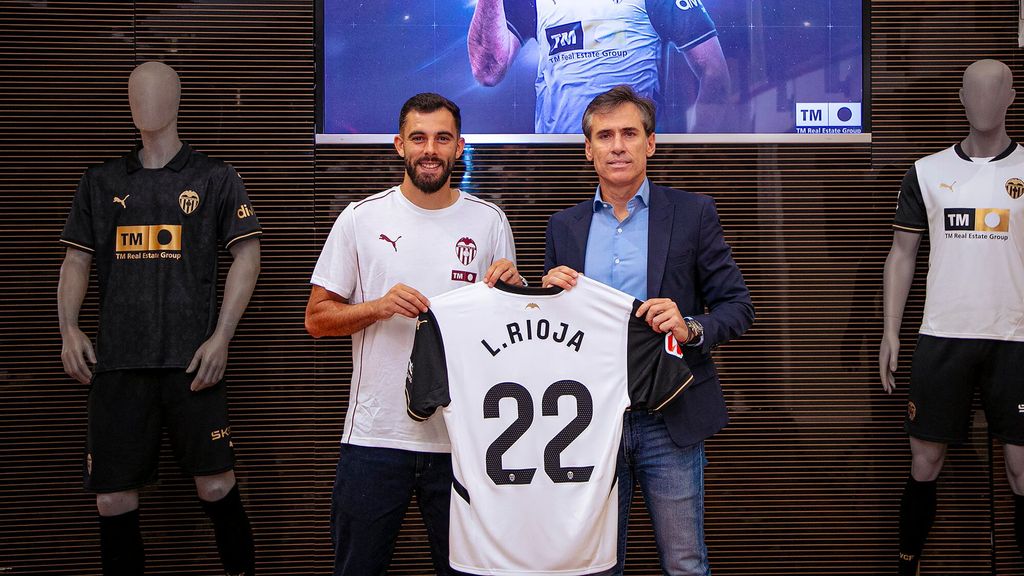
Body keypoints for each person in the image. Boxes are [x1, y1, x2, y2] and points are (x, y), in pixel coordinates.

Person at [304, 92, 523, 576]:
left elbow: (511, 335)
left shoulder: (489, 221)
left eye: (442, 138)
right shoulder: (361, 218)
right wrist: (378, 307)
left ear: (459, 147)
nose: (430, 150)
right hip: (374, 439)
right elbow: (316, 318)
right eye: (419, 138)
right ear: (399, 145)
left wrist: (516, 290)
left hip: (464, 442)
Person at [58, 61, 260, 576]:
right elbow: (76, 260)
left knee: (216, 485)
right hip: (118, 363)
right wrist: (68, 329)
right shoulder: (100, 181)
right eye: (136, 95)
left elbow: (248, 254)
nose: (145, 104)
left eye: (157, 93)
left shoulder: (214, 177)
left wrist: (222, 337)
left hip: (192, 363)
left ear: (177, 101)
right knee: (112, 499)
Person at [543, 85, 753, 575]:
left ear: (650, 143)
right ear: (588, 149)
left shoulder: (692, 213)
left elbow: (738, 307)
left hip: (670, 415)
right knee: (594, 566)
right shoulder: (564, 226)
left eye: (629, 134)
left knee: (685, 563)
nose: (617, 146)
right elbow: (551, 333)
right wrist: (547, 297)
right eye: (605, 136)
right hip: (586, 420)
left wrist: (690, 325)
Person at [880, 59, 1024, 576]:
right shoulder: (927, 172)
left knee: (1022, 470)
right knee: (925, 462)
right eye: (974, 91)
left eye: (995, 90)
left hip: (1015, 338)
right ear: (961, 98)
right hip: (943, 335)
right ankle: (908, 564)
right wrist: (890, 331)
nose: (984, 101)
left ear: (1011, 97)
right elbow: (902, 254)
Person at [468, 0, 730, 134]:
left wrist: (692, 155)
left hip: (632, 163)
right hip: (560, 162)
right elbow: (488, 71)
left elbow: (715, 74)